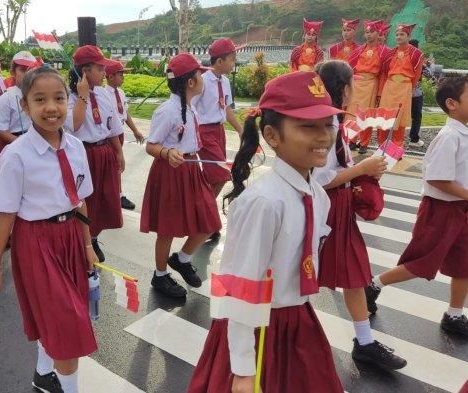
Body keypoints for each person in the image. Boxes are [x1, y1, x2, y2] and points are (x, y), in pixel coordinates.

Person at [187, 71, 343, 393]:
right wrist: (243, 368)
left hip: (299, 322)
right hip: (257, 328)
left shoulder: (318, 194)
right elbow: (240, 285)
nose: (323, 136)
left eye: (328, 124)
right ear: (271, 135)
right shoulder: (263, 202)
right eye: (308, 126)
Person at [0, 66, 98, 393]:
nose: (51, 107)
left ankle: (44, 375)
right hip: (36, 244)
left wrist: (88, 246)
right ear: (24, 106)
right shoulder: (16, 154)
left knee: (57, 318)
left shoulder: (76, 148)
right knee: (68, 328)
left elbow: (81, 201)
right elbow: (5, 216)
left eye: (59, 98)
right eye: (40, 99)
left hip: (70, 237)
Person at [366, 75, 468, 342]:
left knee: (465, 264)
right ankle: (373, 284)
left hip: (461, 210)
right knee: (422, 263)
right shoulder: (449, 137)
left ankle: (454, 315)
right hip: (441, 210)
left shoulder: (466, 133)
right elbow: (436, 179)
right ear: (452, 103)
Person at [312, 60, 407, 370]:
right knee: (304, 272)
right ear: (345, 88)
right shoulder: (323, 125)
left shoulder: (336, 122)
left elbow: (338, 170)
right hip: (324, 208)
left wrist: (367, 170)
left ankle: (364, 342)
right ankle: (287, 333)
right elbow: (321, 179)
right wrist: (362, 168)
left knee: (355, 273)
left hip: (339, 207)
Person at [140, 53, 222, 298]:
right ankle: (160, 275)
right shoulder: (168, 111)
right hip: (170, 173)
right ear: (190, 82)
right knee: (167, 228)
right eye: (200, 74)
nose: (203, 77)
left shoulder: (190, 107)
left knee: (209, 220)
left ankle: (182, 259)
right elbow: (150, 145)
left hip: (190, 170)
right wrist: (167, 153)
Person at [67, 45, 124, 262]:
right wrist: (82, 97)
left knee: (103, 199)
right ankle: (81, 241)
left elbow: (113, 126)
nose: (104, 73)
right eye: (99, 68)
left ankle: (93, 236)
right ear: (84, 71)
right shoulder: (69, 96)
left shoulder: (103, 94)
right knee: (85, 199)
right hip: (83, 153)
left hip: (104, 151)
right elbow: (74, 124)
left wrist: (118, 152)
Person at [193, 38, 244, 241]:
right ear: (220, 61)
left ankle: (205, 216)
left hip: (219, 132)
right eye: (232, 59)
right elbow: (191, 107)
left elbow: (227, 110)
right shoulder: (203, 81)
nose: (234, 63)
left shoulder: (224, 81)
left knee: (212, 177)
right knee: (221, 175)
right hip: (204, 132)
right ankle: (203, 214)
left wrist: (241, 131)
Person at [0, 51, 39, 216]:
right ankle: (3, 215)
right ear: (13, 72)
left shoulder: (37, 96)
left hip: (33, 141)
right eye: (23, 70)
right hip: (11, 143)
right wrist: (21, 142)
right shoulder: (5, 99)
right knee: (8, 182)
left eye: (31, 70)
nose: (28, 74)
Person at [104, 59, 145, 210]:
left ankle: (116, 194)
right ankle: (116, 196)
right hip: (109, 135)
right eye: (120, 74)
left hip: (119, 132)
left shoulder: (120, 93)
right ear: (110, 76)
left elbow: (124, 113)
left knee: (116, 165)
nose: (123, 77)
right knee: (114, 165)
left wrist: (135, 130)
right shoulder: (103, 94)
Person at [377, 24, 424, 148]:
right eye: (397, 34)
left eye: (402, 34)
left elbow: (416, 75)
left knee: (400, 118)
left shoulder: (417, 54)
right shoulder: (390, 53)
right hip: (389, 86)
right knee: (385, 116)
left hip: (404, 87)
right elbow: (384, 72)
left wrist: (408, 87)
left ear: (409, 36)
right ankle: (382, 145)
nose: (398, 37)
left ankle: (397, 146)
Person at [347, 20, 388, 154]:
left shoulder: (384, 52)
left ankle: (364, 143)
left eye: (372, 32)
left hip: (371, 84)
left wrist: (380, 92)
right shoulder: (358, 50)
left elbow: (383, 73)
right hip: (357, 83)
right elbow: (351, 69)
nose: (369, 35)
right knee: (352, 113)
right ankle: (352, 140)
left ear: (378, 33)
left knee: (366, 114)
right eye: (366, 32)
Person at [408, 38, 431, 148]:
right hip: (416, 93)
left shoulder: (403, 58)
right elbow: (429, 74)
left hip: (401, 91)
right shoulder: (419, 60)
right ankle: (414, 139)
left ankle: (392, 139)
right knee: (416, 116)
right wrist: (428, 65)